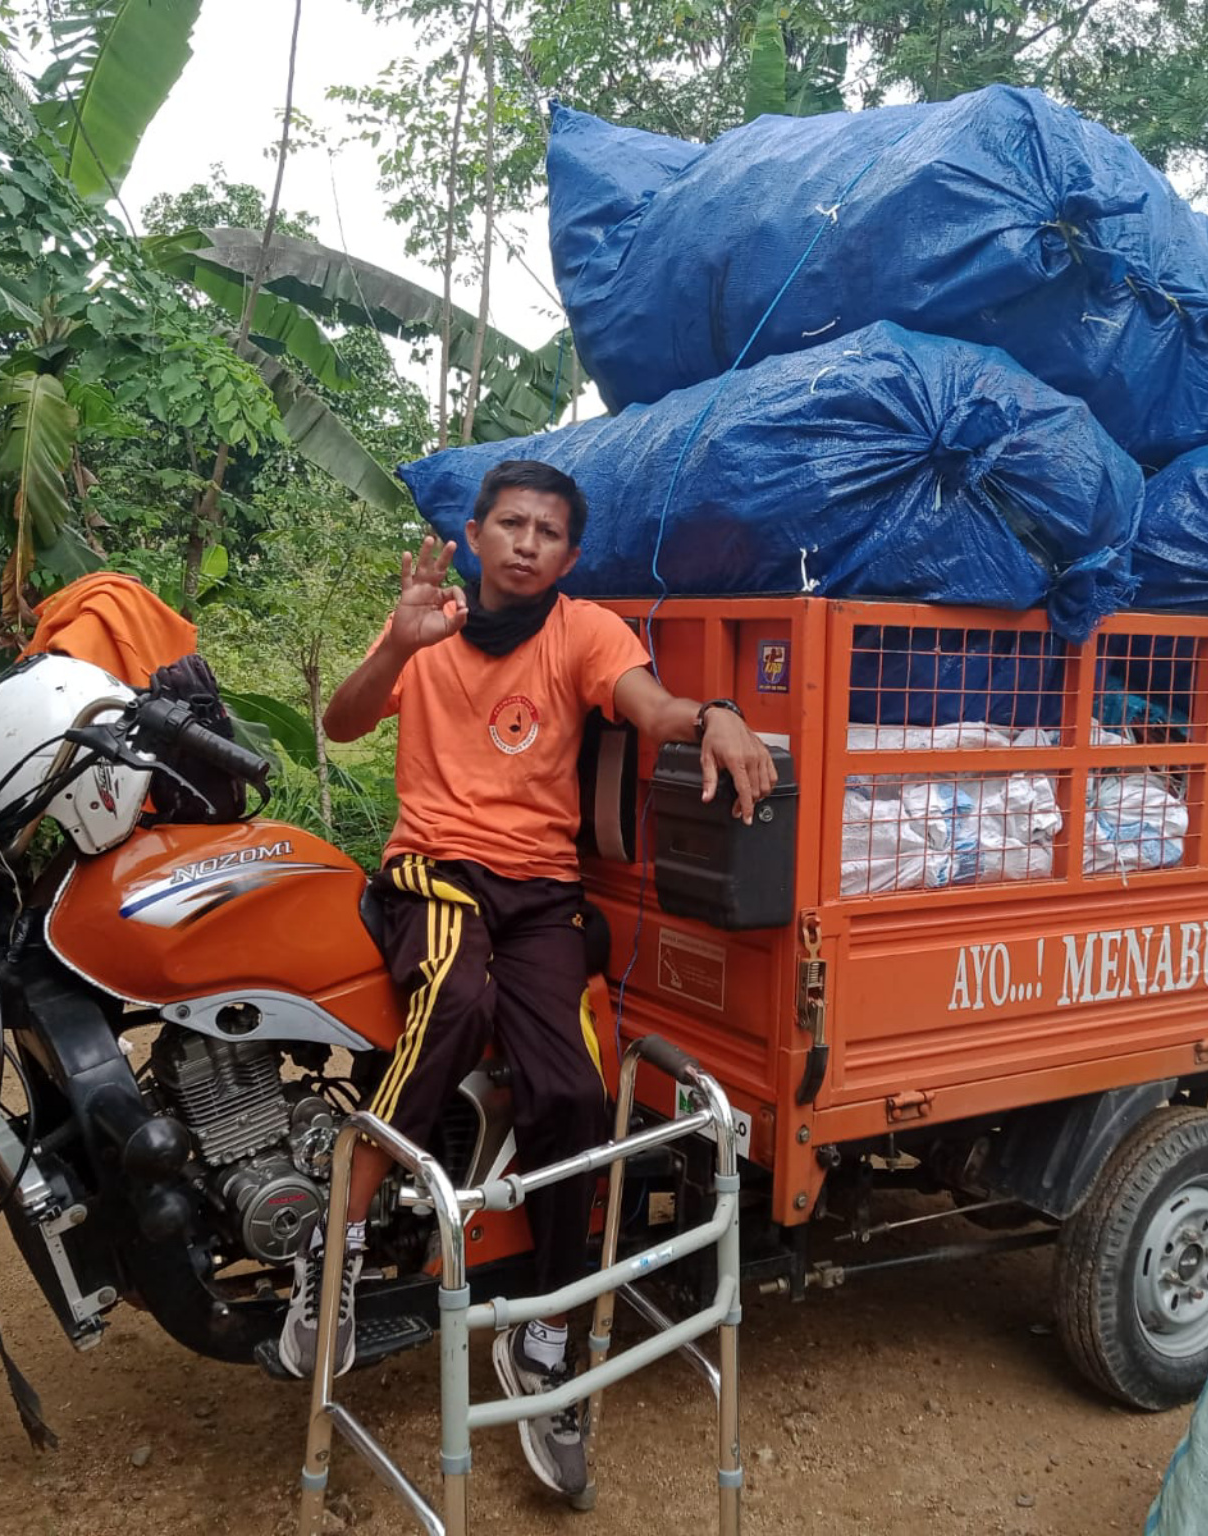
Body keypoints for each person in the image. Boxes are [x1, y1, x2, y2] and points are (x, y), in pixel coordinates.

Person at [275, 459, 776, 1498]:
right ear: (471, 532)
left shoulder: (581, 629)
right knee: (452, 1002)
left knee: (576, 1092)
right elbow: (341, 724)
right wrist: (397, 648)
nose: (526, 544)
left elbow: (645, 705)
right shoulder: (426, 623)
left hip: (544, 891)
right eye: (510, 524)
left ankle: (547, 1332)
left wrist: (713, 714)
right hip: (435, 873)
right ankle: (339, 1252)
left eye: (548, 532)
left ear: (568, 555)